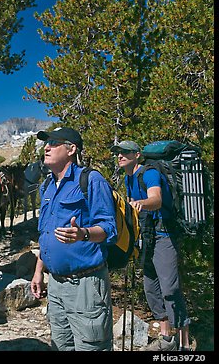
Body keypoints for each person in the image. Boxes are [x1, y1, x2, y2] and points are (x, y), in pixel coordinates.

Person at [30, 127, 117, 351]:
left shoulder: (91, 180)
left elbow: (109, 228)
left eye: (54, 143)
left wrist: (84, 234)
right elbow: (46, 233)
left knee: (91, 346)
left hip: (85, 286)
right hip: (56, 285)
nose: (46, 147)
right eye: (46, 143)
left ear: (71, 149)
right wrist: (39, 271)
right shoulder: (47, 186)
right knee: (60, 345)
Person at [111, 140, 191, 351]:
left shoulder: (149, 173)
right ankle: (166, 339)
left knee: (170, 289)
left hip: (164, 234)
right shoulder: (128, 177)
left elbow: (155, 199)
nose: (120, 156)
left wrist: (141, 203)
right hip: (146, 236)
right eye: (118, 153)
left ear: (137, 154)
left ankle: (184, 343)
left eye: (125, 152)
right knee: (151, 287)